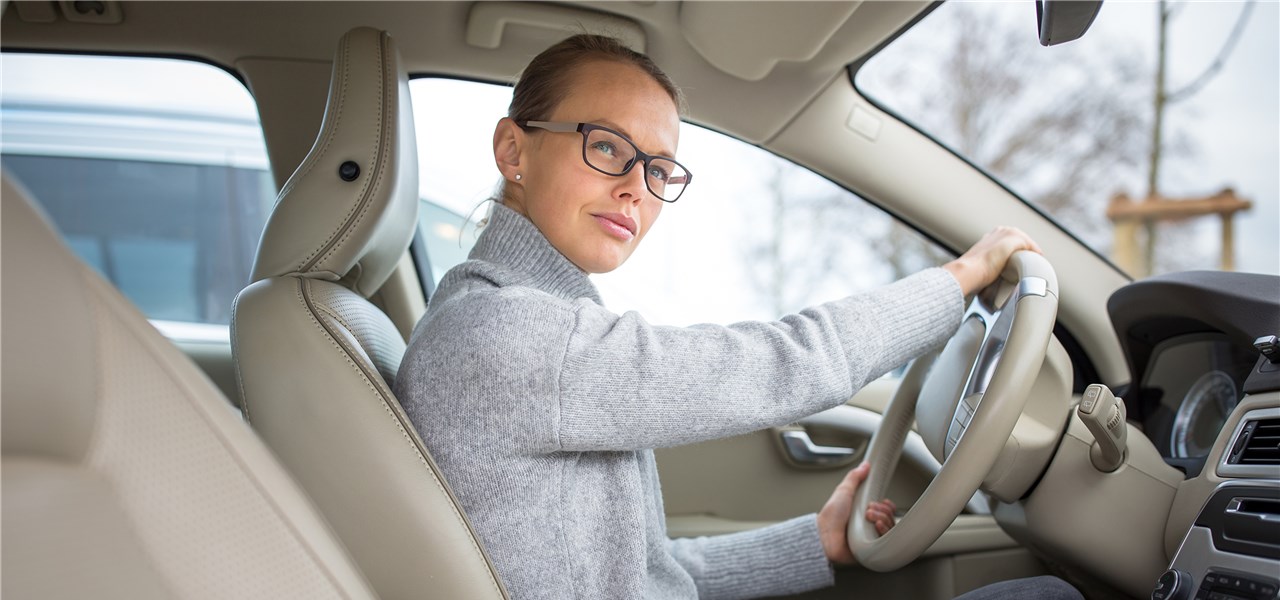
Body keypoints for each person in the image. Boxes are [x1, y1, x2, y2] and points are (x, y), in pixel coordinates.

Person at [396, 34, 1082, 600]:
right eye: (606, 145)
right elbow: (784, 363)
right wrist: (958, 281)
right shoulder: (501, 333)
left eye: (659, 169)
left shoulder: (527, 321)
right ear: (513, 150)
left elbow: (646, 578)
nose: (636, 188)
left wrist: (816, 544)